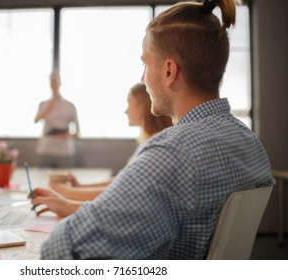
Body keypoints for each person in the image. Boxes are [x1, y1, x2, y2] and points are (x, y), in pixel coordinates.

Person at [36, 0, 275, 260]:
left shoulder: (171, 153)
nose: (143, 79)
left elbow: (62, 251)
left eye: (145, 65)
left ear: (169, 71)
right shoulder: (252, 145)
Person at [46, 83, 173, 202]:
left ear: (142, 106)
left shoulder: (154, 145)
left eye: (129, 103)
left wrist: (66, 192)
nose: (126, 110)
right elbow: (121, 180)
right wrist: (79, 186)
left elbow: (121, 191)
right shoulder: (149, 140)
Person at [34, 71, 80, 168]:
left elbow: (78, 132)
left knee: (64, 179)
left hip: (64, 150)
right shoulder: (43, 104)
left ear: (60, 82)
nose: (53, 83)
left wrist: (68, 134)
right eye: (51, 81)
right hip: (46, 148)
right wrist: (47, 109)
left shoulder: (69, 106)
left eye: (55, 80)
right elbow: (36, 120)